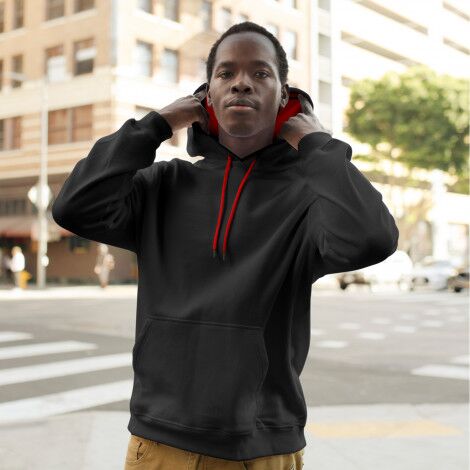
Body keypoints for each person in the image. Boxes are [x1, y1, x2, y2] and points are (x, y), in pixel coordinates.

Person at [52, 21, 399, 470]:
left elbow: (373, 236)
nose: (242, 83)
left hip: (266, 444)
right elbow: (74, 207)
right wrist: (158, 124)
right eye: (226, 72)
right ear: (207, 95)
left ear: (284, 97)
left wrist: (316, 144)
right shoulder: (163, 185)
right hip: (162, 437)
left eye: (261, 73)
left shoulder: (307, 200)